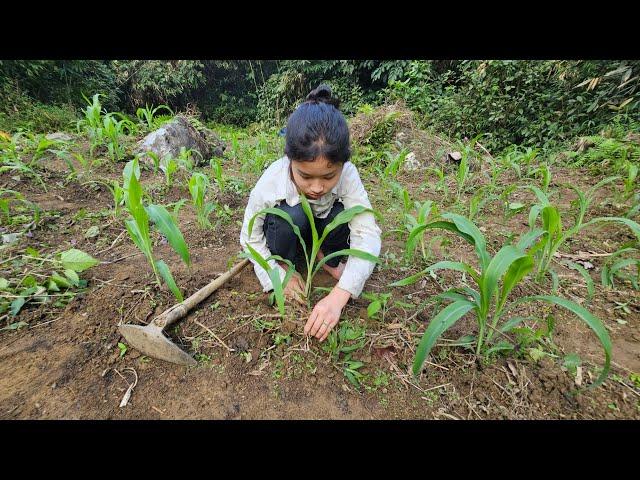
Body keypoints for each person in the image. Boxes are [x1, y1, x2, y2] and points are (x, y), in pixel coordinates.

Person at [240, 84, 381, 342]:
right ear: (290, 160)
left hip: (323, 225)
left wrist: (340, 294)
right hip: (294, 228)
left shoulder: (349, 175)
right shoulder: (272, 179)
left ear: (343, 164)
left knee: (343, 215)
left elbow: (367, 232)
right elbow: (249, 236)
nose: (317, 187)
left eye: (329, 176)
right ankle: (286, 261)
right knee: (290, 217)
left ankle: (326, 258)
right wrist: (276, 275)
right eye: (305, 176)